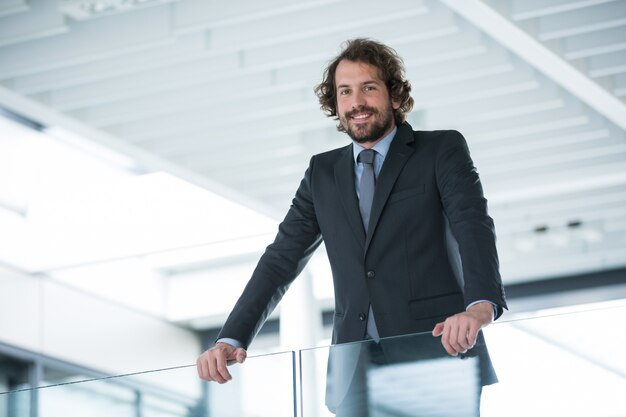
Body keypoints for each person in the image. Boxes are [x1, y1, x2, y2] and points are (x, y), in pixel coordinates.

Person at [197, 38, 507, 414]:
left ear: (394, 95)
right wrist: (231, 337)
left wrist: (479, 307)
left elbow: (472, 225)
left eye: (368, 88)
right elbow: (281, 259)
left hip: (436, 354)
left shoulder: (440, 151)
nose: (356, 102)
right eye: (345, 92)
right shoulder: (321, 173)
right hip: (354, 367)